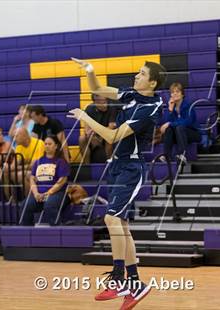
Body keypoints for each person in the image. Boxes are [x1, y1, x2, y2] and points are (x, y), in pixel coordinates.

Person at [69, 57, 165, 309]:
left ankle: (118, 278)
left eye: (141, 74)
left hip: (132, 167)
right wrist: (90, 70)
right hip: (118, 165)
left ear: (152, 82)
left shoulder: (151, 106)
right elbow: (99, 89)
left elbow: (112, 135)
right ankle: (135, 285)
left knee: (111, 219)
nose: (136, 76)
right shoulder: (132, 94)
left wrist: (84, 117)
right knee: (120, 223)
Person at [20, 135, 70, 226]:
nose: (46, 146)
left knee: (49, 205)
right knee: (25, 205)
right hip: (39, 195)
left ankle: (57, 230)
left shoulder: (61, 162)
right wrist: (36, 194)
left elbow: (61, 182)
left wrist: (47, 193)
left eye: (49, 144)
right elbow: (32, 179)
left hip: (57, 193)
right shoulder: (38, 162)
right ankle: (27, 232)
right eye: (45, 144)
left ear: (56, 146)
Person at [159, 82, 201, 164]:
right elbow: (169, 122)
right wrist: (170, 110)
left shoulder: (188, 105)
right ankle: (167, 156)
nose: (175, 94)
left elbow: (187, 122)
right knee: (169, 130)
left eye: (177, 92)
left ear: (182, 94)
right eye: (173, 92)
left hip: (193, 133)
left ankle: (182, 155)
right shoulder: (173, 106)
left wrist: (170, 124)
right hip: (179, 134)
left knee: (179, 127)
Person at [79, 94, 117, 163]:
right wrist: (91, 135)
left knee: (109, 138)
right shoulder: (89, 108)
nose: (105, 104)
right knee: (82, 139)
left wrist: (97, 132)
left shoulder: (112, 107)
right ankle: (87, 166)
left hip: (106, 135)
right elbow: (87, 129)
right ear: (95, 102)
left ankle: (110, 164)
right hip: (94, 136)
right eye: (102, 102)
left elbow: (111, 127)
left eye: (105, 100)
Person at [11, 127, 45, 196]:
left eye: (16, 136)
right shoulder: (18, 147)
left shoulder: (38, 143)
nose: (14, 139)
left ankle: (30, 199)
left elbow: (35, 165)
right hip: (28, 171)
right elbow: (14, 165)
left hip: (42, 171)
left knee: (25, 174)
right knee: (13, 174)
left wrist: (19, 167)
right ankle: (18, 200)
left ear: (24, 136)